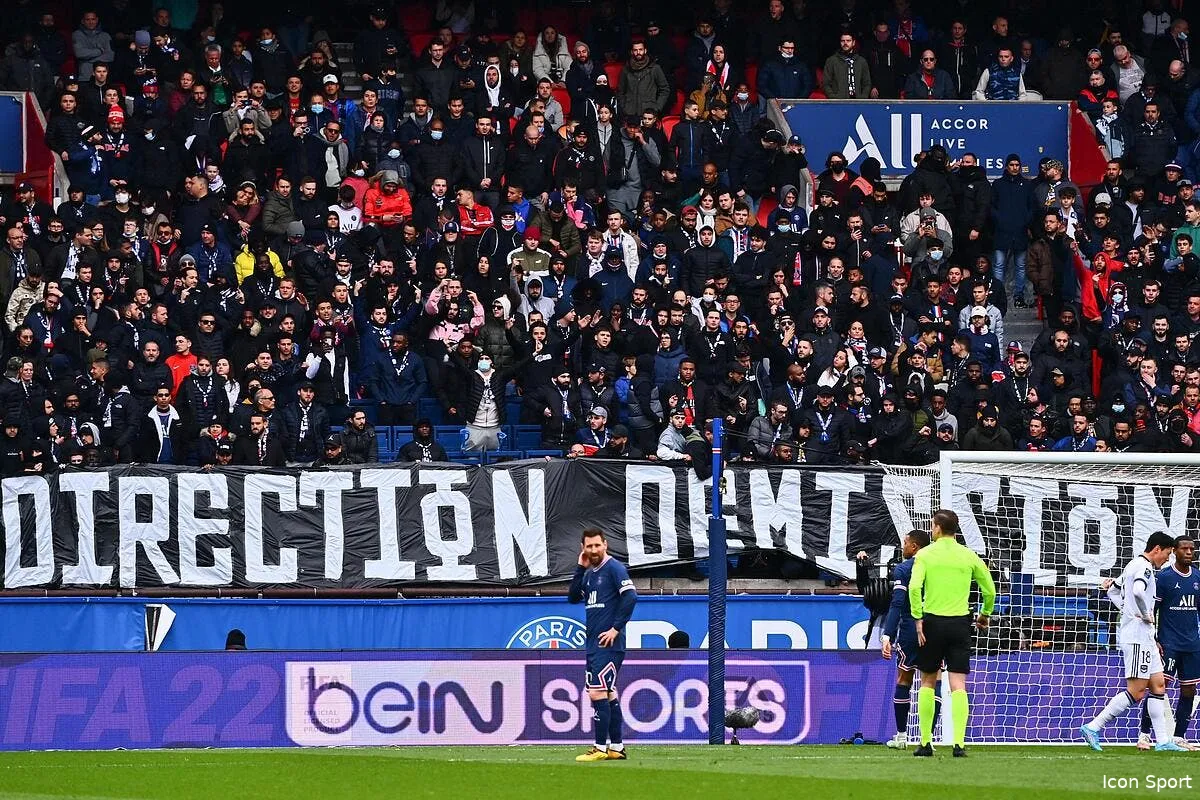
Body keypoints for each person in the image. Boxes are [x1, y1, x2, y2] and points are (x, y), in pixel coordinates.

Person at [1080, 531, 1187, 751]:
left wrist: (1127, 610)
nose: (1167, 559)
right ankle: (1093, 727)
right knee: (1137, 691)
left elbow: (1112, 589)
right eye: (1166, 554)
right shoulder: (1144, 567)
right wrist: (1144, 614)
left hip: (1145, 637)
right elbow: (1138, 592)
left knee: (1158, 685)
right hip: (1137, 637)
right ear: (1157, 549)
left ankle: (1163, 741)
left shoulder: (1132, 564)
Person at [908, 509, 997, 757]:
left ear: (937, 528)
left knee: (927, 680)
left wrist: (918, 619)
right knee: (958, 684)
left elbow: (914, 588)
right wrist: (984, 614)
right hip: (960, 623)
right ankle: (959, 744)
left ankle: (926, 743)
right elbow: (989, 590)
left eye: (932, 525)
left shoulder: (925, 554)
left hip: (933, 622)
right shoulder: (969, 556)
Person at [568, 527, 637, 761]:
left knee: (597, 692)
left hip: (609, 644)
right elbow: (573, 596)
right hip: (594, 644)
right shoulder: (589, 572)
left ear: (605, 544)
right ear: (583, 548)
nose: (594, 550)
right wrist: (580, 568)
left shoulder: (614, 568)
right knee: (607, 693)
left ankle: (599, 747)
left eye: (597, 545)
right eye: (589, 546)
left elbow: (631, 596)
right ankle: (616, 748)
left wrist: (615, 628)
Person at [1136, 535, 1200, 750]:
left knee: (1189, 691)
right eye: (1184, 549)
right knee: (1158, 689)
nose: (1189, 552)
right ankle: (1144, 734)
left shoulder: (1197, 577)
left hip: (1192, 645)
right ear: (1174, 551)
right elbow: (1151, 611)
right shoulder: (1164, 577)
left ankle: (1179, 736)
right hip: (1169, 644)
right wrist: (1153, 638)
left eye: (1192, 549)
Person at [881, 528, 934, 750]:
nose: (903, 547)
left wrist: (887, 635)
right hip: (935, 628)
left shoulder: (904, 569)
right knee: (932, 682)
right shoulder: (936, 566)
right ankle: (927, 739)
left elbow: (897, 603)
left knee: (904, 679)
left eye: (905, 543)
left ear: (914, 547)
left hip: (911, 629)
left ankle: (902, 737)